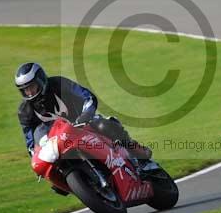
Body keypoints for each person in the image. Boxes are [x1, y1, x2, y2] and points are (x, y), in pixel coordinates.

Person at [15, 62, 152, 163]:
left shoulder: (58, 84)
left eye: (32, 87)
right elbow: (31, 144)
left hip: (83, 125)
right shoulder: (24, 112)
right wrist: (37, 156)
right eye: (25, 90)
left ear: (41, 80)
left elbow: (87, 96)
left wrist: (86, 115)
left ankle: (136, 150)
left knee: (104, 125)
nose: (30, 92)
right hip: (59, 144)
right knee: (52, 175)